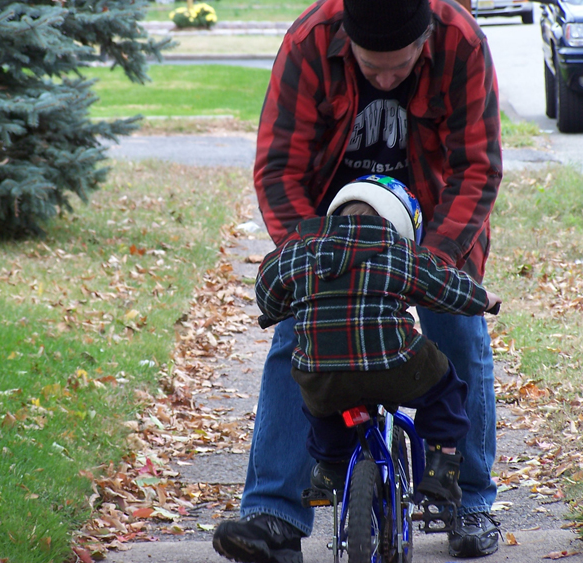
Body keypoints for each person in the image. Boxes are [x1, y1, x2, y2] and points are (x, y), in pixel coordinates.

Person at [213, 0, 503, 558]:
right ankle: (273, 513)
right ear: (349, 40)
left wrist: (434, 262)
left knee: (458, 330)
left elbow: (477, 165)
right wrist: (308, 261)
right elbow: (279, 168)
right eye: (374, 69)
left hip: (436, 220)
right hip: (332, 219)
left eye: (402, 67)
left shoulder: (459, 40)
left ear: (425, 39)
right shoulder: (311, 42)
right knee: (297, 336)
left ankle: (468, 501)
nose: (388, 79)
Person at [254, 177, 501, 508]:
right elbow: (444, 286)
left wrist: (279, 308)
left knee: (320, 401)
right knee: (446, 390)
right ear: (399, 224)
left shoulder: (299, 252)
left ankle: (329, 466)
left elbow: (266, 288)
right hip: (393, 365)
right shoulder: (400, 254)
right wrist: (484, 300)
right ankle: (442, 468)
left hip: (323, 374)